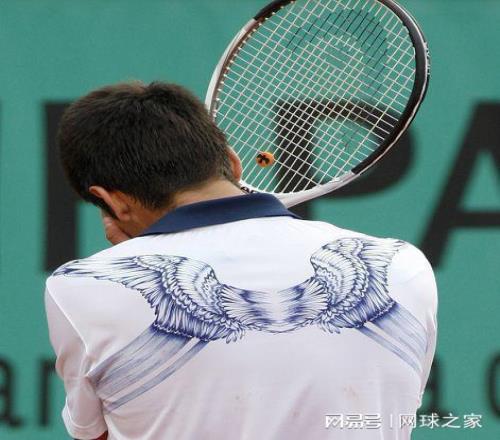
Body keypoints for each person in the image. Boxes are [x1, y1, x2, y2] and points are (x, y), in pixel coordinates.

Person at [45, 81, 438, 440]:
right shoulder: (400, 263)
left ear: (110, 201)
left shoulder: (82, 286)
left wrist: (129, 253)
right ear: (234, 164)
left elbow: (98, 434)